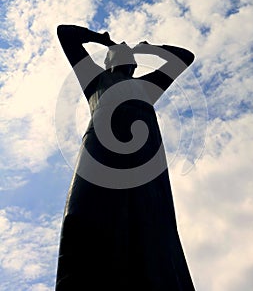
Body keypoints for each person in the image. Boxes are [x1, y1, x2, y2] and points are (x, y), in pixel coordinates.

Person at [55, 24, 196, 290]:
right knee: (84, 213)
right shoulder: (94, 79)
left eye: (128, 55)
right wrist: (103, 40)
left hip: (145, 154)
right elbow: (66, 33)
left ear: (135, 64)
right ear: (107, 60)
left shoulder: (148, 85)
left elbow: (184, 57)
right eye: (117, 54)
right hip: (99, 145)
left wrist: (149, 49)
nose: (123, 56)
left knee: (149, 219)